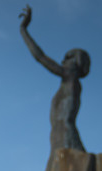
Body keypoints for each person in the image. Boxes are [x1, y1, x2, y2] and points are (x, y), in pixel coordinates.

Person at [19, 5, 90, 153]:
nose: (63, 61)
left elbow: (40, 57)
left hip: (65, 135)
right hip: (58, 136)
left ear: (78, 62)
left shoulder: (71, 78)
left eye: (68, 57)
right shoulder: (69, 83)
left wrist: (23, 30)